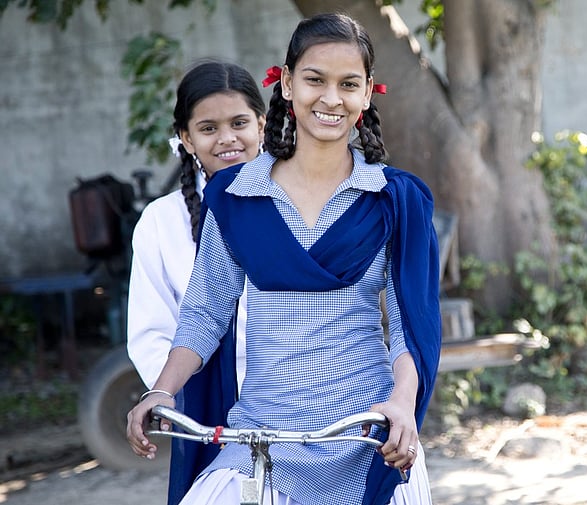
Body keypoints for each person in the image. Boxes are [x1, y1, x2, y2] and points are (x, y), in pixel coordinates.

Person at [126, 12, 442, 505]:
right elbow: (205, 314)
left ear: (367, 92)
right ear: (288, 83)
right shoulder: (235, 196)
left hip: (367, 433)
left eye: (348, 84)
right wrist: (161, 391)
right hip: (260, 437)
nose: (331, 98)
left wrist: (401, 404)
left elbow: (409, 325)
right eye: (315, 79)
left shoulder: (397, 198)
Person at [125, 59, 265, 504]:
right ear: (185, 138)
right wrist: (171, 400)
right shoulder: (160, 222)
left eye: (240, 122)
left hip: (296, 396)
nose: (227, 138)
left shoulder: (297, 200)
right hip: (205, 407)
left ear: (262, 125)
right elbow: (151, 330)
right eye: (208, 128)